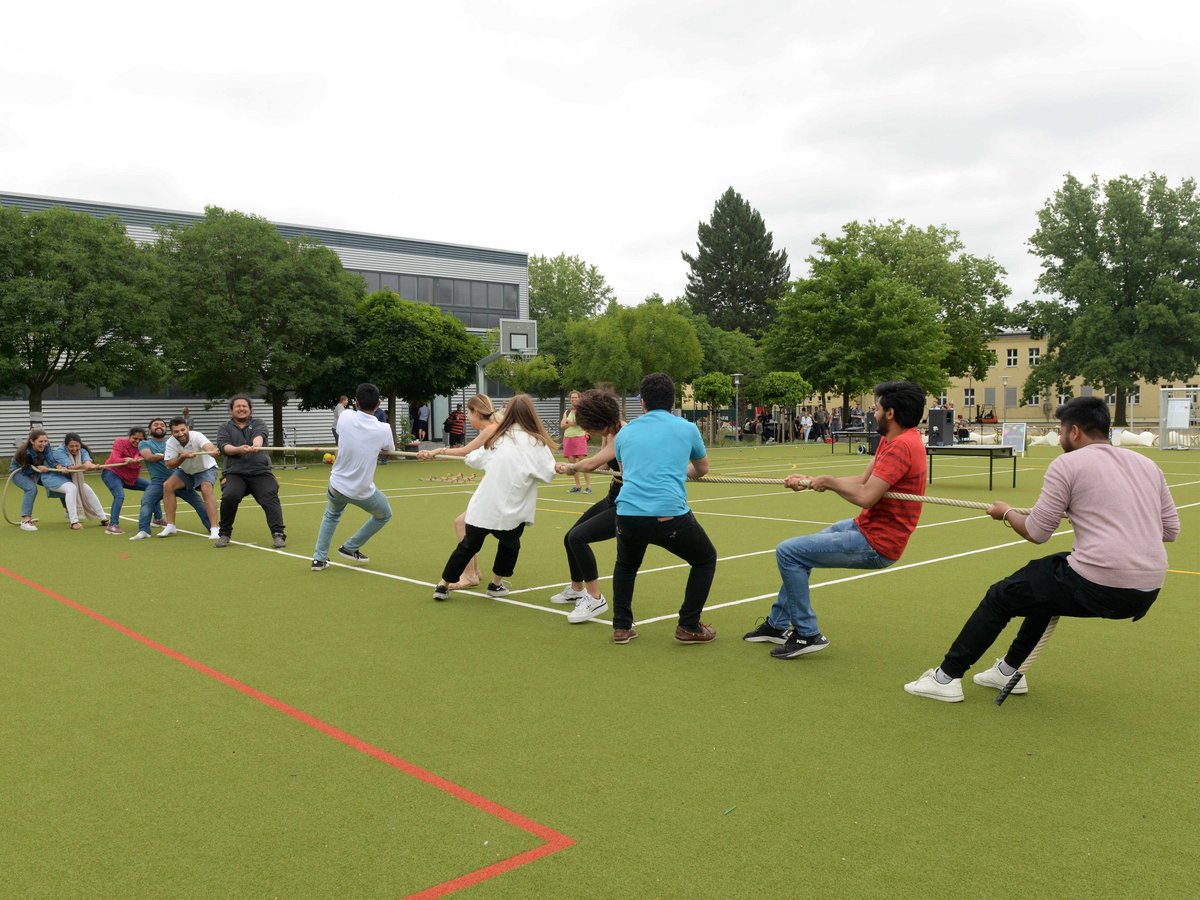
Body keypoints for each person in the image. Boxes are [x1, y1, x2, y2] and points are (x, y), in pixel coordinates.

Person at [905, 396, 1181, 702]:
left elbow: (1037, 532)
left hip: (1100, 583)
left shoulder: (1067, 463)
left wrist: (1006, 513)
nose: (1060, 438)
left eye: (1061, 431)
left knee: (1000, 596)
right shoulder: (1148, 465)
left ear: (1074, 432)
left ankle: (946, 678)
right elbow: (1170, 531)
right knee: (1041, 582)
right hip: (1148, 589)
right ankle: (1009, 671)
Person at [744, 381, 927, 658]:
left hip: (877, 543)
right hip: (863, 527)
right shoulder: (892, 441)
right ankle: (778, 625)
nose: (872, 413)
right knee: (798, 553)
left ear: (890, 413)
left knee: (789, 552)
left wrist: (828, 482)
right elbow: (863, 481)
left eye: (876, 408)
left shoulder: (902, 446)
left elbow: (866, 496)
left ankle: (807, 634)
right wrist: (810, 481)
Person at [610, 372, 718, 645]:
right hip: (668, 516)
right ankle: (689, 625)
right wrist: (682, 471)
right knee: (705, 559)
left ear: (642, 402)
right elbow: (702, 469)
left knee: (626, 565)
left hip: (628, 514)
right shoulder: (686, 428)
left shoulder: (626, 432)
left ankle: (622, 628)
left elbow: (625, 472)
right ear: (672, 402)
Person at [429, 394, 556, 601]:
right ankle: (495, 585)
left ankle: (442, 586)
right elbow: (548, 473)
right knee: (510, 545)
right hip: (512, 511)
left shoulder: (499, 438)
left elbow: (474, 459)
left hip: (484, 508)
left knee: (468, 546)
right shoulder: (536, 443)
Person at [549, 390, 626, 624]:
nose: (587, 432)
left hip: (628, 502)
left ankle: (595, 598)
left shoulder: (623, 432)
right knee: (569, 537)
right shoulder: (609, 432)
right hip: (613, 496)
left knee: (578, 538)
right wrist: (574, 466)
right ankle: (577, 589)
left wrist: (572, 467)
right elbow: (601, 465)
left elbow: (592, 462)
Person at [418, 394, 503, 588]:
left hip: (495, 491)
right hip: (494, 488)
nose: (467, 417)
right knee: (468, 526)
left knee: (461, 524)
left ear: (475, 412)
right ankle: (475, 571)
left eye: (468, 413)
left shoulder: (490, 429)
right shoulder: (495, 428)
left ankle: (470, 575)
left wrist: (435, 452)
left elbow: (465, 451)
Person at [311, 382, 396, 571]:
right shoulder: (384, 429)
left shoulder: (346, 416)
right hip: (361, 491)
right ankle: (350, 547)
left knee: (331, 516)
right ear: (378, 403)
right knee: (384, 515)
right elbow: (389, 450)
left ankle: (318, 559)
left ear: (356, 402)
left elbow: (345, 434)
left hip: (337, 486)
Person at [215, 395, 286, 549]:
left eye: (244, 406)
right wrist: (238, 450)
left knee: (270, 496)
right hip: (234, 473)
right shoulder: (224, 428)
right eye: (237, 406)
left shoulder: (258, 423)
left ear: (250, 409)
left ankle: (278, 534)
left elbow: (260, 437)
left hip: (260, 471)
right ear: (231, 410)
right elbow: (224, 447)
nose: (241, 409)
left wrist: (255, 446)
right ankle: (224, 534)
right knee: (229, 496)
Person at [129, 418, 211, 541]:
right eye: (155, 424)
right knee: (146, 502)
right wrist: (168, 456)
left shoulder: (172, 442)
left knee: (199, 504)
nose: (159, 426)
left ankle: (213, 528)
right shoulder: (145, 443)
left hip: (178, 479)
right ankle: (144, 530)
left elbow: (186, 453)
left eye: (162, 425)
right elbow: (149, 457)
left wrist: (175, 456)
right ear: (150, 429)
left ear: (167, 430)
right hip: (158, 482)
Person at [161, 416, 221, 539]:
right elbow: (169, 464)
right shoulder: (170, 442)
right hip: (186, 471)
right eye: (176, 431)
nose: (181, 433)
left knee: (206, 489)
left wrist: (212, 451)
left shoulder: (197, 436)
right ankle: (170, 525)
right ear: (172, 433)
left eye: (183, 430)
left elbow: (208, 446)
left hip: (206, 468)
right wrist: (182, 457)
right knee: (167, 486)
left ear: (188, 428)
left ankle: (215, 528)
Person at [40, 433, 109, 530]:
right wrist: (85, 466)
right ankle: (74, 522)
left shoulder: (83, 451)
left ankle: (103, 519)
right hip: (52, 477)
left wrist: (91, 465)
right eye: (71, 446)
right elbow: (71, 467)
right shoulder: (59, 452)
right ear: (66, 445)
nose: (74, 449)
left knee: (87, 490)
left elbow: (87, 461)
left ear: (80, 445)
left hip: (69, 478)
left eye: (77, 446)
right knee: (71, 488)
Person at [100, 426, 160, 535]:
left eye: (140, 439)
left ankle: (158, 519)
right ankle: (112, 525)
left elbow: (138, 464)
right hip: (112, 473)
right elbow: (114, 459)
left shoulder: (143, 448)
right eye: (135, 438)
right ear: (129, 436)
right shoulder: (119, 442)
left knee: (153, 488)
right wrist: (125, 459)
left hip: (129, 477)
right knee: (119, 495)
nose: (137, 441)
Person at [8, 429, 53, 532]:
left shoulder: (47, 447)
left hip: (36, 471)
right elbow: (26, 468)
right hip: (20, 472)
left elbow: (51, 459)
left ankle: (68, 511)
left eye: (45, 441)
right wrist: (38, 467)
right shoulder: (24, 452)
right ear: (32, 441)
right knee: (31, 489)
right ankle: (25, 520)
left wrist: (58, 466)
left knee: (55, 482)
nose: (43, 444)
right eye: (40, 442)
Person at [561, 389, 592, 494]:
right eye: (572, 398)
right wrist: (571, 422)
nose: (573, 399)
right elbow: (562, 425)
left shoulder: (583, 410)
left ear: (579, 399)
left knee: (583, 463)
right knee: (572, 465)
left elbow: (581, 422)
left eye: (575, 397)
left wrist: (570, 422)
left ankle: (588, 487)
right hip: (568, 438)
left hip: (579, 438)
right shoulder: (567, 411)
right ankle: (578, 486)